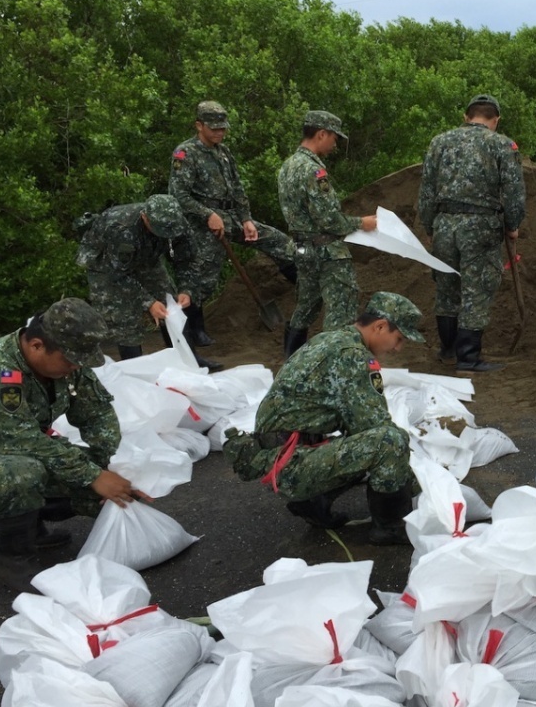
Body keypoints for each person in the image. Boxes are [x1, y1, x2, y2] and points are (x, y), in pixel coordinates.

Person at [0, 298, 147, 591]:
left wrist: (105, 463)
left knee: (105, 489)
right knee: (22, 473)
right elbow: (20, 441)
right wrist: (94, 476)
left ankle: (31, 528)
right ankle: (11, 556)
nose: (76, 366)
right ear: (37, 345)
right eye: (70, 360)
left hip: (21, 457)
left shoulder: (67, 362)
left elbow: (96, 413)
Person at [223, 292, 424, 545]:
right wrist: (419, 487)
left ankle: (312, 502)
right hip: (288, 463)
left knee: (367, 443)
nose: (397, 348)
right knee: (391, 441)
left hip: (282, 453)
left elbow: (356, 426)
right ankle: (390, 528)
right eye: (399, 339)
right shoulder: (353, 356)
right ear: (380, 326)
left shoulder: (330, 339)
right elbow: (375, 427)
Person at [169, 100, 296, 348]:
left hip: (232, 218)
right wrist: (207, 214)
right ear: (199, 125)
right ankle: (195, 330)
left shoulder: (224, 152)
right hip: (200, 223)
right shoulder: (185, 154)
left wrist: (247, 219)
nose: (219, 132)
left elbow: (237, 188)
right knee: (203, 274)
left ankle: (302, 287)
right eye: (214, 128)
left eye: (222, 128)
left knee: (278, 241)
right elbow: (178, 196)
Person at [417, 94, 526, 371]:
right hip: (481, 227)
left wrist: (430, 227)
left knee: (446, 288)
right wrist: (513, 226)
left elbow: (426, 191)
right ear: (496, 120)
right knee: (476, 291)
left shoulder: (439, 142)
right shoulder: (503, 145)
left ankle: (448, 350)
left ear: (466, 117)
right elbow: (514, 192)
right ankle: (468, 358)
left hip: (444, 224)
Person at [75, 194, 218, 367]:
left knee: (170, 302)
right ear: (144, 217)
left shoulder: (176, 222)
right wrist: (149, 303)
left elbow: (187, 259)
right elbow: (118, 275)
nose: (167, 233)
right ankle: (136, 369)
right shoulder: (121, 228)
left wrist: (186, 289)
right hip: (106, 264)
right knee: (124, 314)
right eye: (160, 229)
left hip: (147, 256)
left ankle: (189, 359)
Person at [278, 110, 378, 358]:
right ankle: (333, 365)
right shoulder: (314, 172)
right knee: (341, 309)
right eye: (334, 137)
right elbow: (329, 220)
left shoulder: (287, 167)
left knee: (305, 306)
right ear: (321, 134)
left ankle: (292, 363)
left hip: (302, 249)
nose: (335, 144)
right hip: (326, 252)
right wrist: (361, 223)